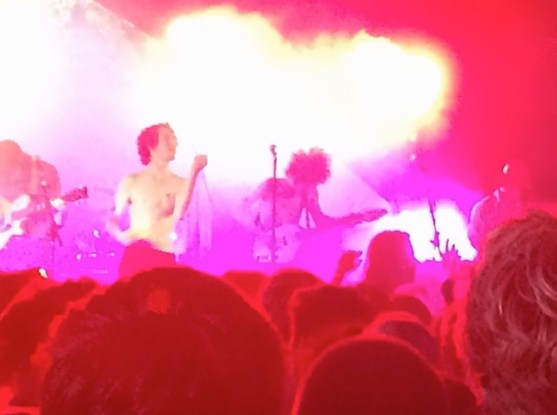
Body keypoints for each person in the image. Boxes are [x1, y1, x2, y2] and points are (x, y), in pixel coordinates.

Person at [107, 123, 208, 278]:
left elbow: (180, 212)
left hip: (163, 255)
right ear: (151, 146)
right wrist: (121, 236)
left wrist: (194, 171)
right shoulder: (132, 181)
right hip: (136, 254)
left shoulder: (180, 183)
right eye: (167, 138)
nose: (173, 143)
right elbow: (114, 217)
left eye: (174, 139)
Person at [0, 139, 64, 271]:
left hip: (37, 244)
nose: (8, 179)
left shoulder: (45, 172)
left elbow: (57, 210)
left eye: (8, 172)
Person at [468, 160, 531, 251]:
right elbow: (475, 238)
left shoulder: (529, 211)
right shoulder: (483, 208)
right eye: (511, 176)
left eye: (519, 177)